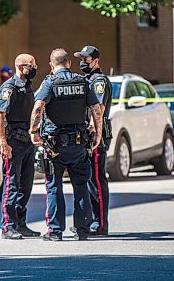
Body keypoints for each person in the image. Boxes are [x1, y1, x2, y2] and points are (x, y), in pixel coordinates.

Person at [29, 48, 103, 241]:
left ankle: (55, 231)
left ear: (51, 65)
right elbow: (96, 109)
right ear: (69, 64)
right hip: (79, 145)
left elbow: (38, 107)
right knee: (81, 186)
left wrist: (33, 132)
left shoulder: (50, 82)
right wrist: (98, 135)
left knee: (54, 187)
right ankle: (82, 230)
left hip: (55, 148)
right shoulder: (83, 81)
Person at [0, 53, 41, 240]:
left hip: (28, 143)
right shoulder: (9, 88)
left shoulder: (27, 87)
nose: (34, 68)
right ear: (21, 67)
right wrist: (3, 143)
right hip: (13, 143)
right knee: (12, 185)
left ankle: (21, 224)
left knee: (26, 186)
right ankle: (8, 226)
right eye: (32, 65)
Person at [74, 45, 113, 236]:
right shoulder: (86, 79)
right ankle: (90, 219)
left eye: (86, 59)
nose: (82, 62)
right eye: (81, 58)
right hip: (85, 136)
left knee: (97, 180)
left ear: (96, 61)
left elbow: (99, 108)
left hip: (96, 136)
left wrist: (92, 131)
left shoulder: (99, 80)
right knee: (87, 180)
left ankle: (100, 223)